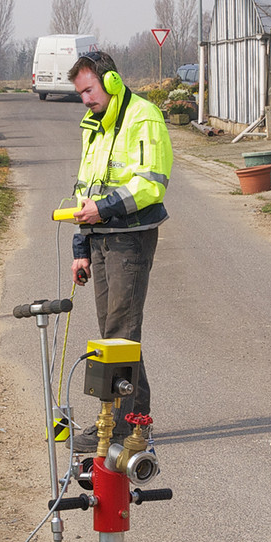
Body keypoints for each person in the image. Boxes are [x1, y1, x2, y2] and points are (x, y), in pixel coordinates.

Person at [66, 51, 173, 451]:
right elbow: (85, 189)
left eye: (89, 90)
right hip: (99, 237)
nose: (85, 100)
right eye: (80, 93)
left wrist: (104, 210)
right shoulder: (93, 125)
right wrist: (81, 245)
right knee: (115, 333)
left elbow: (152, 183)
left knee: (119, 334)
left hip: (130, 235)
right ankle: (136, 418)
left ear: (110, 82)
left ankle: (120, 425)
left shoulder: (144, 117)